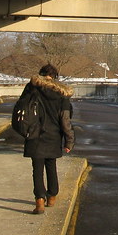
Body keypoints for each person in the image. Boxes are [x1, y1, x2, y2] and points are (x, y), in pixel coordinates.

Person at [20, 63, 74, 215]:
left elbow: (21, 108)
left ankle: (39, 202)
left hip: (34, 134)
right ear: (55, 77)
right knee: (51, 166)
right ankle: (52, 196)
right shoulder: (61, 93)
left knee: (37, 169)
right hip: (53, 136)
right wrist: (69, 140)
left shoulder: (32, 88)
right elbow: (66, 119)